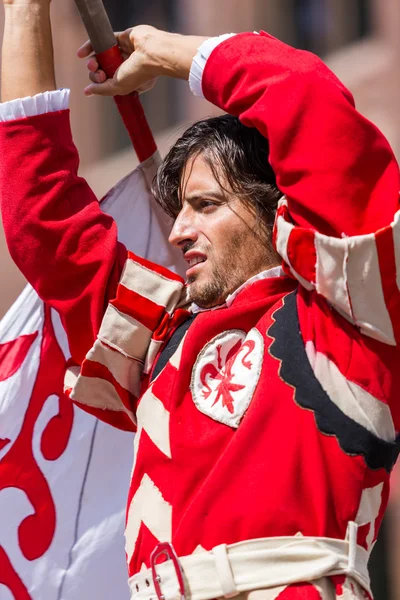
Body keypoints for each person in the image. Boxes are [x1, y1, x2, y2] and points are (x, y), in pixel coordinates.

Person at [1, 0, 400, 598]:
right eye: (181, 209)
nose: (181, 230)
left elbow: (304, 98)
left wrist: (164, 52)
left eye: (207, 206)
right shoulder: (163, 338)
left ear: (278, 217)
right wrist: (24, 10)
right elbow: (45, 224)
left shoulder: (349, 321)